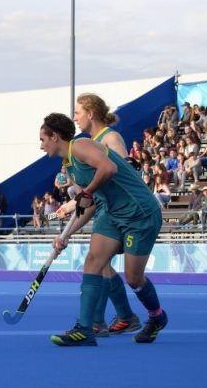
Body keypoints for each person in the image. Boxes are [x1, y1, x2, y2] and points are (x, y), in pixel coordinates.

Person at [39, 113, 167, 346]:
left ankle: (156, 316)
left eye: (42, 139)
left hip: (139, 213)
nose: (41, 146)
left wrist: (87, 193)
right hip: (111, 212)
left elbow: (108, 168)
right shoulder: (71, 166)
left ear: (54, 136)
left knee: (133, 278)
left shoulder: (80, 145)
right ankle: (85, 330)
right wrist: (65, 235)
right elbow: (87, 206)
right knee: (93, 261)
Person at [55, 93, 141, 337]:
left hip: (119, 210)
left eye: (77, 112)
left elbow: (121, 174)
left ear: (90, 113)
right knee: (99, 264)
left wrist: (79, 201)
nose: (75, 118)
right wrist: (73, 200)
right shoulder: (90, 141)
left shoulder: (110, 137)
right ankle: (121, 316)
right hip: (104, 206)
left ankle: (99, 322)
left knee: (98, 263)